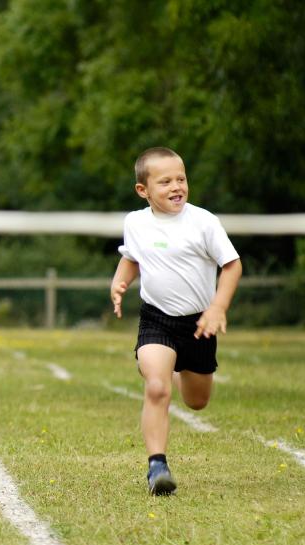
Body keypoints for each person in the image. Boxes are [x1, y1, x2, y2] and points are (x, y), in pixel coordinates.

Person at [111, 147, 242, 495]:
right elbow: (131, 257)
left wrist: (218, 307)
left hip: (199, 325)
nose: (176, 186)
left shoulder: (203, 221)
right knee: (157, 387)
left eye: (181, 179)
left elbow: (232, 265)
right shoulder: (135, 222)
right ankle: (157, 467)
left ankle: (180, 366)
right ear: (144, 190)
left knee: (197, 402)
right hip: (156, 319)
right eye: (165, 181)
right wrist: (119, 281)